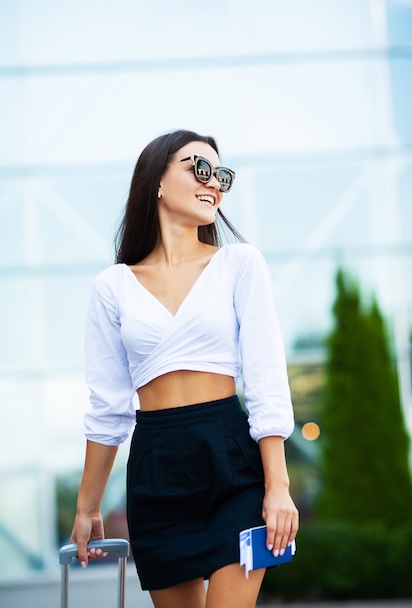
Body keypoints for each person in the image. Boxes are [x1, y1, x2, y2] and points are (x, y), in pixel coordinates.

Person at [70, 129, 299, 608]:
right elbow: (108, 408)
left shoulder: (239, 264)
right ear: (156, 179)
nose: (213, 181)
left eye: (221, 174)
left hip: (233, 463)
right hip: (157, 470)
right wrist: (87, 506)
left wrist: (278, 486)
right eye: (199, 168)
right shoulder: (112, 287)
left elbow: (265, 380)